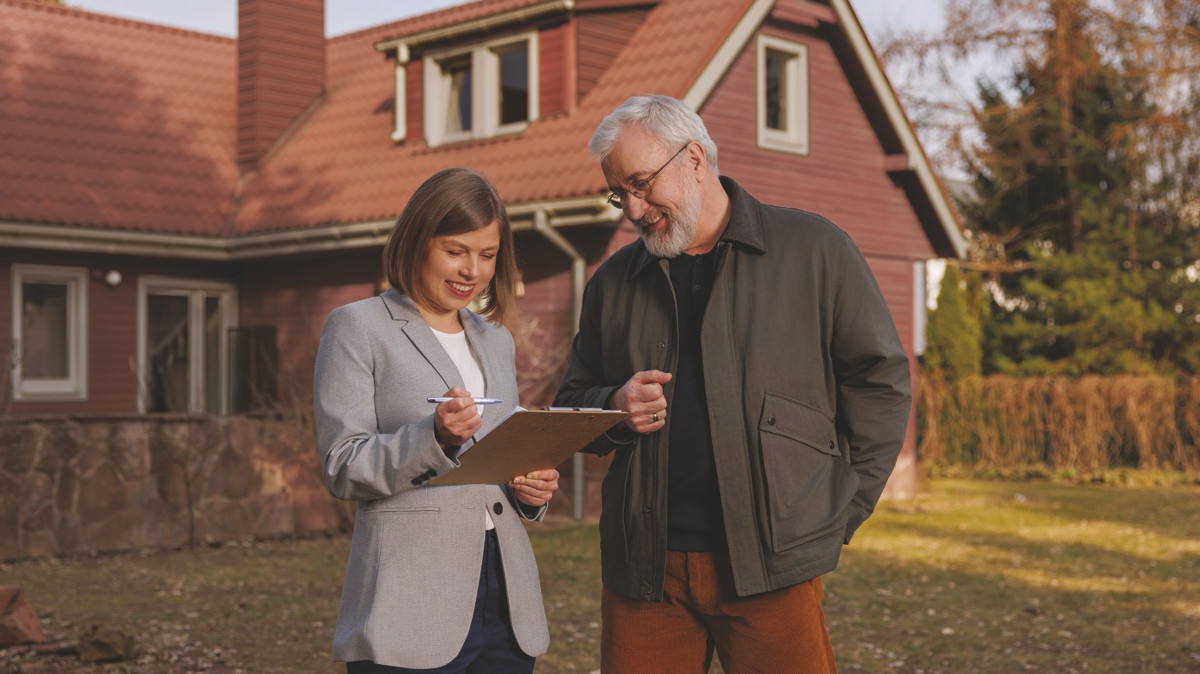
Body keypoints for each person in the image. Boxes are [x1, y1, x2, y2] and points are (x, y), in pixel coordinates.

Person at [554, 95, 912, 673]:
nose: (634, 209)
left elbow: (881, 382)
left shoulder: (815, 250)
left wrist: (840, 507)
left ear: (694, 157)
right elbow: (570, 404)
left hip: (772, 567)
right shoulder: (613, 283)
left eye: (642, 185)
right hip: (645, 571)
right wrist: (613, 405)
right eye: (619, 193)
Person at [314, 167, 559, 674]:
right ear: (417, 242)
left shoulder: (497, 341)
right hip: (410, 599)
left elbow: (497, 463)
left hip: (507, 597)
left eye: (487, 255)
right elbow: (342, 465)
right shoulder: (357, 327)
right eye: (455, 250)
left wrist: (526, 490)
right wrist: (434, 437)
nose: (472, 270)